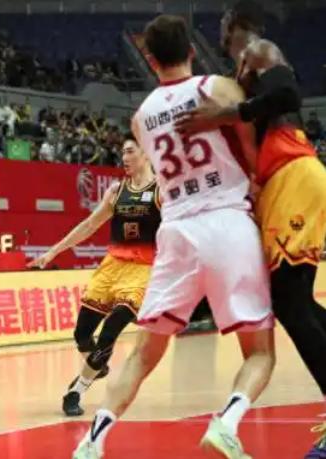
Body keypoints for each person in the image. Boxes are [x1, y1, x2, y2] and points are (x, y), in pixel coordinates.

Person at [73, 15, 275, 459]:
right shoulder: (217, 88)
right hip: (226, 219)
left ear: (149, 59)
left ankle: (92, 441)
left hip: (177, 229)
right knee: (260, 351)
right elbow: (252, 148)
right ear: (192, 51)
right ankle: (227, 425)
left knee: (144, 352)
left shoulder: (141, 118)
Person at [175, 2, 326, 455]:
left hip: (294, 169)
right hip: (278, 184)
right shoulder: (237, 74)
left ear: (233, 24)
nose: (219, 29)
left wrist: (226, 115)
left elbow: (288, 96)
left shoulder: (260, 50)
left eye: (223, 21)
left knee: (291, 303)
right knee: (294, 301)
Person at [28, 135, 160, 417]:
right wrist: (53, 252)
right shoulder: (116, 191)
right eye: (122, 152)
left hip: (143, 270)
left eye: (130, 151)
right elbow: (89, 225)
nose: (124, 157)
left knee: (110, 330)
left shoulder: (162, 190)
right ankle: (97, 366)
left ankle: (76, 390)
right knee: (82, 334)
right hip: (111, 268)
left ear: (146, 153)